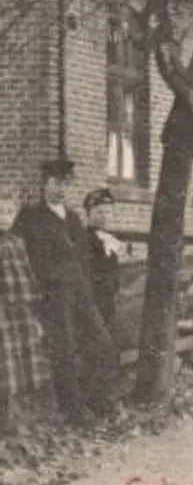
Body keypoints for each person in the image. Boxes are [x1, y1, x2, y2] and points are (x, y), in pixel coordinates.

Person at [10, 157, 119, 425]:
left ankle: (100, 402)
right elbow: (21, 255)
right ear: (45, 183)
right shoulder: (31, 217)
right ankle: (74, 411)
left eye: (66, 184)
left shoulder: (72, 218)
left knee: (102, 341)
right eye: (56, 183)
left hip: (80, 292)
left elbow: (85, 255)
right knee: (65, 349)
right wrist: (45, 284)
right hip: (53, 295)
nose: (61, 189)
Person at [0, 228, 53, 433]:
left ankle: (13, 419)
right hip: (3, 307)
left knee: (18, 367)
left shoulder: (17, 242)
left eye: (8, 211)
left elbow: (27, 277)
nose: (4, 216)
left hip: (19, 309)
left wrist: (33, 311)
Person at [82, 188, 125, 329]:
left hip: (109, 301)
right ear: (88, 213)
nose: (104, 216)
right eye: (99, 212)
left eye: (107, 212)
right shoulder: (84, 239)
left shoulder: (111, 239)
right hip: (92, 301)